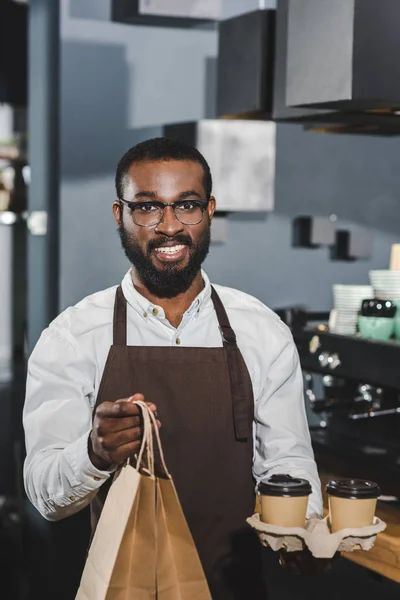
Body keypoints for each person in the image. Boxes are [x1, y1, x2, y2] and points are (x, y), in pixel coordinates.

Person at [23, 137, 323, 599]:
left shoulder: (261, 331)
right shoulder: (72, 337)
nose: (168, 226)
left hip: (234, 586)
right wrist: (94, 453)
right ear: (119, 214)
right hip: (124, 586)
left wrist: (303, 529)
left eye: (186, 205)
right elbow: (45, 496)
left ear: (209, 210)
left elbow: (286, 459)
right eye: (146, 208)